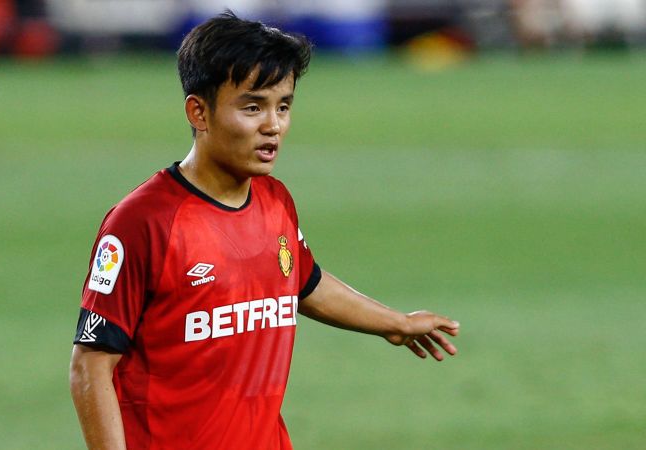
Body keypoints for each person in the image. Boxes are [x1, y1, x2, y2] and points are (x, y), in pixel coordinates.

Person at [69, 11, 460, 450]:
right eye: (252, 107)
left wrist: (395, 323)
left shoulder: (275, 201)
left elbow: (303, 282)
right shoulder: (144, 222)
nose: (273, 125)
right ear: (199, 111)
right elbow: (91, 364)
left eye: (283, 106)